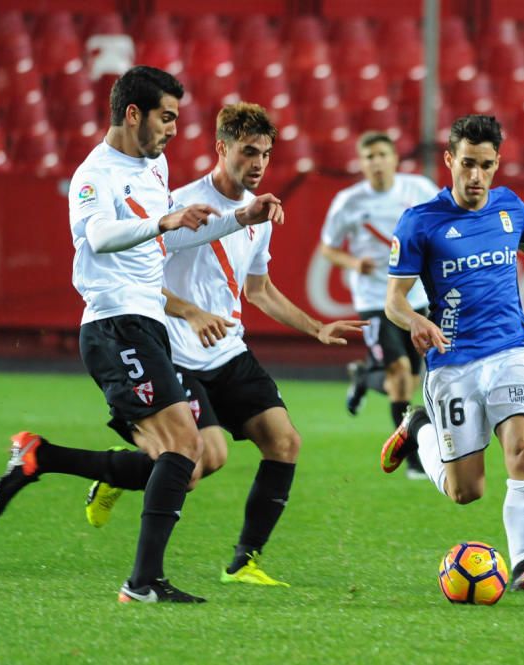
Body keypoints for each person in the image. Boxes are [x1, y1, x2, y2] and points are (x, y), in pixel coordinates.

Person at [0, 67, 282, 604]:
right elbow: (99, 237)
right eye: (165, 117)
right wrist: (162, 223)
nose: (172, 129)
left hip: (147, 325)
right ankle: (142, 582)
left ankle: (40, 457)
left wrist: (242, 218)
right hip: (113, 323)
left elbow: (176, 232)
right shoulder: (94, 175)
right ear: (133, 113)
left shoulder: (153, 167)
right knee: (185, 449)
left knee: (184, 459)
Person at [84, 102, 366, 587]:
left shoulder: (257, 215)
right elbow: (141, 276)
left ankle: (243, 561)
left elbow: (258, 289)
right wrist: (191, 312)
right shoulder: (180, 205)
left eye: (266, 154)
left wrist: (314, 328)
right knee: (198, 462)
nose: (258, 163)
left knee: (284, 442)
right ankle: (118, 474)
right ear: (221, 148)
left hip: (228, 351)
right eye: (248, 151)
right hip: (176, 351)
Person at [378, 115, 524, 592]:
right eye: (466, 163)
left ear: (496, 164)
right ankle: (418, 428)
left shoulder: (509, 206)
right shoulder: (420, 222)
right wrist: (417, 320)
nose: (475, 176)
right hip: (453, 364)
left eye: (485, 165)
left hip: (511, 350)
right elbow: (393, 301)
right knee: (465, 491)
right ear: (449, 160)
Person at [318, 132, 439, 479]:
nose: (376, 161)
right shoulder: (349, 201)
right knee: (400, 374)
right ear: (362, 162)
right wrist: (354, 264)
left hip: (416, 298)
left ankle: (364, 376)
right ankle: (414, 458)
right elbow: (328, 247)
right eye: (369, 156)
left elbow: (442, 223)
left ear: (394, 159)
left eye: (382, 154)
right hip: (374, 300)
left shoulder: (418, 189)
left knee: (410, 379)